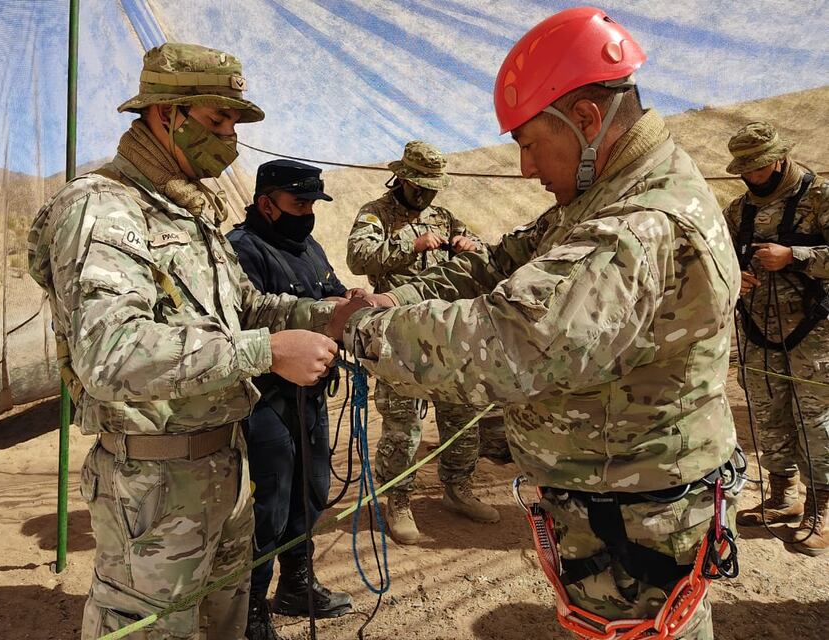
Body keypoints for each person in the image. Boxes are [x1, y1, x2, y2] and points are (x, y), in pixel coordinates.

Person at [330, 7, 742, 639]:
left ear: (584, 120)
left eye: (528, 143)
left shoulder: (638, 222)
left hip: (635, 524)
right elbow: (500, 262)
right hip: (616, 504)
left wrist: (364, 332)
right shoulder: (607, 195)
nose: (524, 168)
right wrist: (402, 299)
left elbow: (512, 343)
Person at [27, 43, 342, 639]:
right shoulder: (102, 207)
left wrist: (329, 312)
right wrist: (265, 352)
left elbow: (244, 306)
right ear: (165, 114)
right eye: (217, 120)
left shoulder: (185, 210)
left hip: (223, 465)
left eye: (232, 124)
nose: (229, 138)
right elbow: (109, 352)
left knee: (222, 622)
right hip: (154, 485)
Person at [345, 140, 502, 545]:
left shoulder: (443, 217)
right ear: (402, 179)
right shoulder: (375, 213)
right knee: (404, 428)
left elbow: (482, 253)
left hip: (449, 337)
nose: (426, 195)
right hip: (400, 339)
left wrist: (471, 246)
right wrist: (409, 245)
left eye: (433, 188)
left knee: (462, 421)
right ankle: (398, 501)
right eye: (420, 187)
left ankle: (458, 489)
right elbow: (358, 258)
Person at [226, 160, 354, 639]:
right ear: (267, 204)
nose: (308, 213)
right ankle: (251, 611)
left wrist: (352, 302)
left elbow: (332, 293)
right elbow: (240, 329)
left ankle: (297, 585)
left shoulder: (308, 245)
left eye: (312, 205)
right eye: (300, 203)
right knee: (267, 510)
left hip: (311, 399)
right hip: (264, 405)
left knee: (311, 493)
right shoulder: (241, 251)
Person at [722, 121, 829, 556]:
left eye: (758, 167)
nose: (751, 176)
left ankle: (821, 510)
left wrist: (794, 256)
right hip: (756, 331)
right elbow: (720, 257)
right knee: (768, 415)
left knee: (814, 420)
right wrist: (736, 277)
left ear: (778, 158)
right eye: (745, 169)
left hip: (812, 335)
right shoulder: (736, 210)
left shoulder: (820, 198)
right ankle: (783, 496)